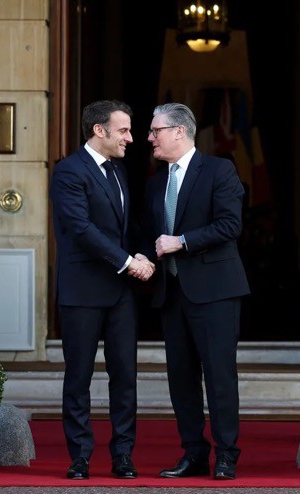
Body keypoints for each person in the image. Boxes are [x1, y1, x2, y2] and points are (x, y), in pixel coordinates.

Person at [141, 102, 250, 480]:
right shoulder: (156, 182)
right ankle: (193, 453)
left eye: (156, 130)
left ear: (180, 131)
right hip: (172, 294)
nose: (149, 137)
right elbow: (151, 236)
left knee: (219, 376)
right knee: (181, 379)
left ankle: (226, 455)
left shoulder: (219, 170)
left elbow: (230, 225)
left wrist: (182, 241)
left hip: (215, 292)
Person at [50, 100, 155, 481]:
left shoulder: (118, 170)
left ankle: (123, 455)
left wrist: (141, 253)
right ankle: (79, 457)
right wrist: (128, 262)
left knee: (125, 377)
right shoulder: (68, 171)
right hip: (82, 292)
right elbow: (81, 228)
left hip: (120, 293)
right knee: (78, 377)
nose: (131, 138)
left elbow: (125, 227)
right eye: (123, 130)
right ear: (99, 130)